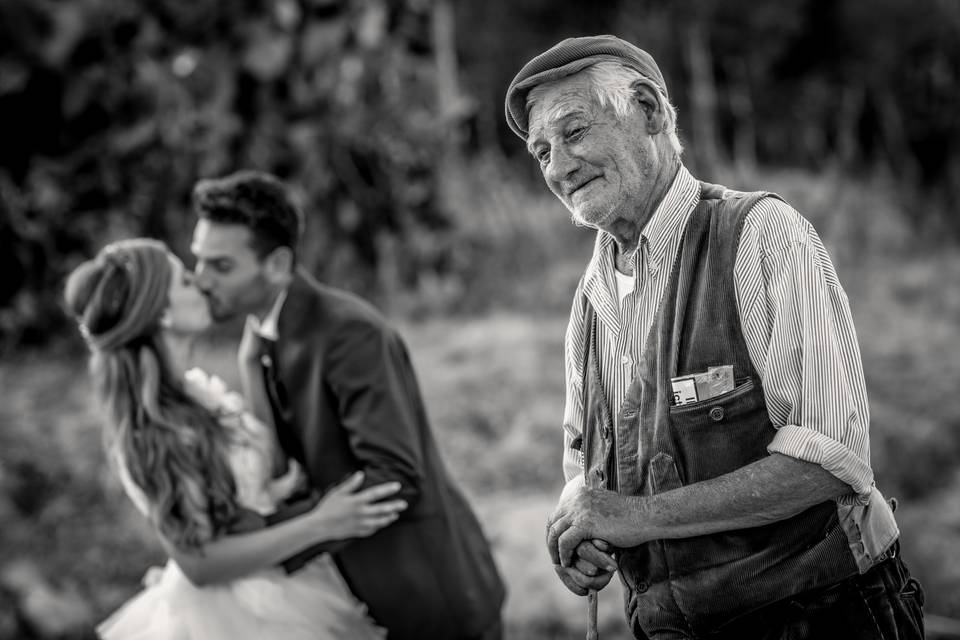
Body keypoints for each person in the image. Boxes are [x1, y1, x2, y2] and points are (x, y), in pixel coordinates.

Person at [504, 35, 925, 639]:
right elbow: (589, 476)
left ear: (648, 110)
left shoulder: (759, 235)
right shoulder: (588, 304)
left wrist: (634, 517)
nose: (557, 167)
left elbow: (832, 460)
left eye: (573, 133)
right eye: (541, 151)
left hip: (820, 619)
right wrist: (580, 527)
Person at [189, 170, 506, 640]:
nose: (201, 280)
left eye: (221, 266)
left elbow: (393, 477)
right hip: (351, 596)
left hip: (423, 594)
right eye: (198, 261)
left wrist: (264, 538)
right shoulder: (261, 339)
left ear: (276, 264)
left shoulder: (347, 334)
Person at [65, 238, 408, 639]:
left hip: (283, 580)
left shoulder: (195, 391)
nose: (201, 283)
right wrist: (321, 523)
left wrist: (252, 366)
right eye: (185, 282)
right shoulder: (153, 429)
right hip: (236, 617)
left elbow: (266, 471)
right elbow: (201, 565)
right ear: (161, 314)